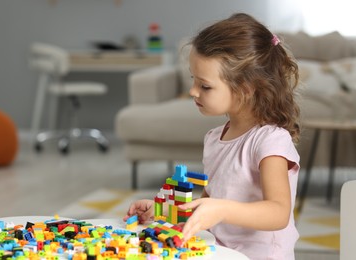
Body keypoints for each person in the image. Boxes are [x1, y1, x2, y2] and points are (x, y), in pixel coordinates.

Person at [123, 12, 300, 260]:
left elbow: (278, 213)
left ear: (246, 90)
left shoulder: (270, 140)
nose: (193, 91)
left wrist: (221, 210)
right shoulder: (215, 137)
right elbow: (210, 202)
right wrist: (164, 211)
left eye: (204, 86)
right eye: (193, 79)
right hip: (220, 251)